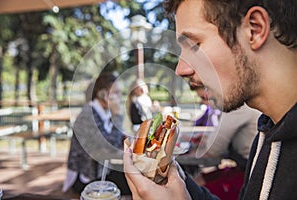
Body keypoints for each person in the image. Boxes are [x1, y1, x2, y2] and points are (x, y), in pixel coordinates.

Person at [123, 0, 297, 200]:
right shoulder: (268, 130)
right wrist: (177, 181)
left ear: (254, 30)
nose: (181, 69)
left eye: (194, 46)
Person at [63, 72, 131, 195]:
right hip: (85, 178)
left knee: (137, 178)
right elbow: (110, 145)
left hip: (102, 170)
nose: (120, 97)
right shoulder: (88, 115)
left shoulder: (102, 112)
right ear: (102, 94)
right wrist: (117, 116)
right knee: (133, 184)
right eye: (116, 93)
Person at [190, 86, 261, 200]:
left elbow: (213, 149)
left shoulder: (237, 105)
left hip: (250, 175)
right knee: (197, 180)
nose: (206, 101)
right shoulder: (243, 103)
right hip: (246, 168)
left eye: (205, 97)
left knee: (193, 188)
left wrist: (207, 141)